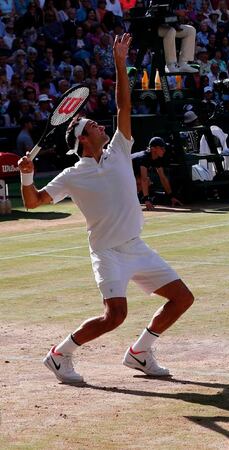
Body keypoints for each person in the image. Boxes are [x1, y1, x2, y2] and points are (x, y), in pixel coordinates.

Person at [18, 34, 195, 384]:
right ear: (83, 139)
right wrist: (27, 178)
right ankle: (59, 354)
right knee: (115, 316)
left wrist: (119, 61)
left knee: (182, 298)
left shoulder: (118, 149)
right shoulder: (72, 175)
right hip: (107, 252)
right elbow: (33, 202)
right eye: (93, 126)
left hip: (135, 245)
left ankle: (140, 352)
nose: (102, 126)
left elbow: (123, 108)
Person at [133, 136, 183, 210]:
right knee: (144, 181)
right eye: (161, 148)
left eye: (164, 148)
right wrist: (147, 200)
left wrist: (171, 196)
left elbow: (163, 177)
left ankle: (132, 200)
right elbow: (143, 179)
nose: (164, 150)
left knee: (146, 181)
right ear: (153, 149)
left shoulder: (157, 159)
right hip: (119, 173)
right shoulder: (144, 158)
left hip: (129, 175)